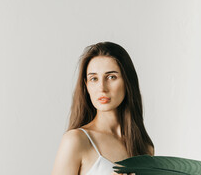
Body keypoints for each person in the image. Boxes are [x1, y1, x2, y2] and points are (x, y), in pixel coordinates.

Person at [51, 41, 154, 175]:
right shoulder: (76, 141)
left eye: (111, 77)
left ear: (127, 81)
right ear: (86, 85)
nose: (102, 88)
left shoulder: (145, 147)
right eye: (94, 79)